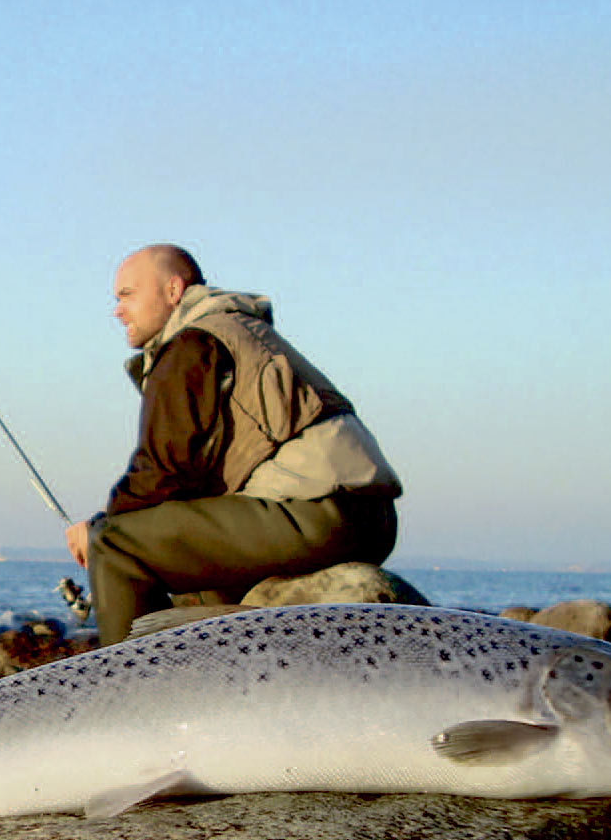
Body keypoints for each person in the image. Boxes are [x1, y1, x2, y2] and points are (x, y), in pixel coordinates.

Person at [65, 244, 402, 645]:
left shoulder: (194, 343)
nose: (117, 311)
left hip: (322, 513)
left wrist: (100, 528)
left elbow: (165, 469)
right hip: (367, 518)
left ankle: (127, 695)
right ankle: (214, 676)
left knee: (117, 545)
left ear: (173, 290)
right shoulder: (237, 330)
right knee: (189, 565)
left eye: (127, 295)